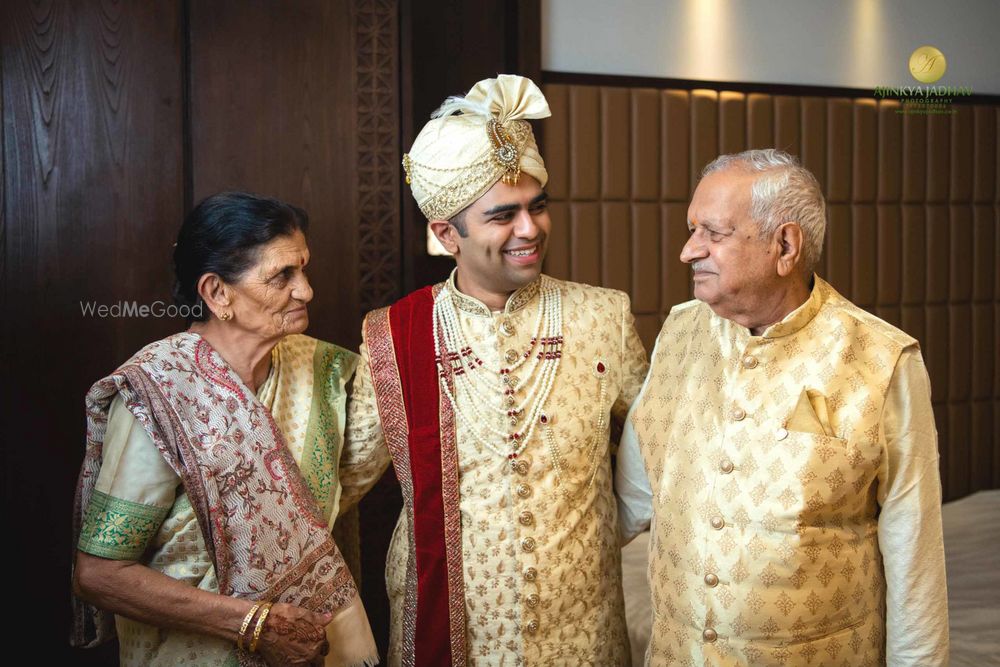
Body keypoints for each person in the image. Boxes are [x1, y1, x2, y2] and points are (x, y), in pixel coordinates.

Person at [337, 74, 649, 665]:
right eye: (502, 215)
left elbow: (662, 450)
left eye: (537, 207)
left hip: (581, 633)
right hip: (453, 634)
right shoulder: (393, 336)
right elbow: (339, 481)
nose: (529, 229)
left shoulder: (602, 314)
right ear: (444, 233)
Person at [616, 149, 949, 666]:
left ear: (785, 245)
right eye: (690, 229)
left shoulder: (883, 360)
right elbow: (634, 497)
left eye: (712, 233)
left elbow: (915, 556)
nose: (687, 251)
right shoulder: (677, 333)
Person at [71, 192, 379, 667]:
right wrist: (252, 625)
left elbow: (340, 487)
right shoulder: (161, 390)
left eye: (304, 269)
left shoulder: (320, 369)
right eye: (283, 276)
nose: (307, 290)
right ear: (217, 294)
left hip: (315, 644)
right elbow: (100, 573)